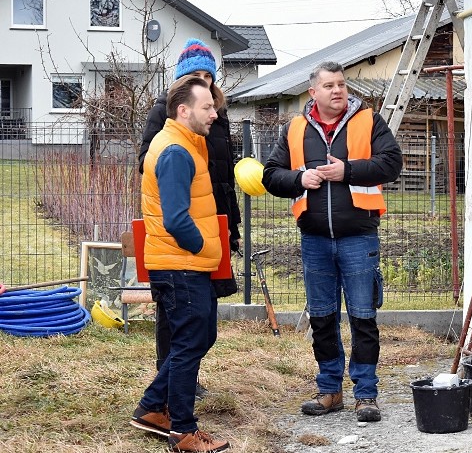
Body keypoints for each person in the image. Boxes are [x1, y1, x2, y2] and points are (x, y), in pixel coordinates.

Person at [262, 61, 402, 423]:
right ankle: (329, 390)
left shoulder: (369, 121)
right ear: (313, 92)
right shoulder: (294, 129)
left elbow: (391, 163)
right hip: (315, 241)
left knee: (363, 318)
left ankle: (366, 394)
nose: (337, 90)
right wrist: (299, 179)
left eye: (341, 84)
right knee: (322, 319)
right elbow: (270, 176)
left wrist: (348, 170)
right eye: (329, 85)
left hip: (359, 237)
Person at [130, 76, 230, 452]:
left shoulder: (186, 144)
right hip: (181, 264)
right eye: (207, 108)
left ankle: (153, 408)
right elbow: (175, 218)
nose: (214, 114)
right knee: (190, 343)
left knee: (201, 336)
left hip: (185, 262)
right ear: (183, 110)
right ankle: (183, 432)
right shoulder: (175, 151)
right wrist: (203, 245)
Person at [139, 38, 241, 396]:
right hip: (185, 220)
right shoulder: (165, 117)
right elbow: (149, 162)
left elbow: (226, 174)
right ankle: (172, 388)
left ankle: (177, 380)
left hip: (214, 215)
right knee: (178, 311)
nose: (203, 81)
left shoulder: (217, 116)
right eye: (194, 75)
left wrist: (231, 223)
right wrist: (186, 174)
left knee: (203, 316)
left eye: (207, 75)